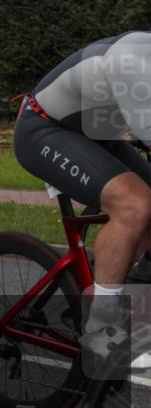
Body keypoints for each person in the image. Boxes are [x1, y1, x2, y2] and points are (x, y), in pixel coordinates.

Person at [13, 30, 151, 356]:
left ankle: (123, 279)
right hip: (43, 129)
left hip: (96, 136)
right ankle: (99, 328)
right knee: (135, 205)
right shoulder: (135, 61)